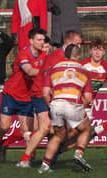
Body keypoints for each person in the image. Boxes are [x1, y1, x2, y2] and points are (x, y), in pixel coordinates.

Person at [16, 30, 82, 168]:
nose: (80, 47)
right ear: (69, 42)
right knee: (45, 128)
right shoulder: (55, 57)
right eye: (77, 43)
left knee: (60, 130)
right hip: (41, 93)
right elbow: (47, 80)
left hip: (55, 97)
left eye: (80, 44)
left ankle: (49, 159)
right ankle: (24, 159)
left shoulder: (70, 57)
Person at [0, 28, 47, 165]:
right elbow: (30, 71)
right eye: (39, 39)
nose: (42, 42)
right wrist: (47, 70)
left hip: (28, 98)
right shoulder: (23, 54)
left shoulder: (44, 55)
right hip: (12, 94)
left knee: (28, 131)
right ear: (31, 41)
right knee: (4, 127)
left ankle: (28, 157)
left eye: (43, 40)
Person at [38, 44, 93, 173]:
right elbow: (88, 97)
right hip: (73, 104)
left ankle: (45, 165)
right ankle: (78, 155)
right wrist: (81, 108)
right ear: (79, 56)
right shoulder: (84, 71)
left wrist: (50, 107)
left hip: (55, 105)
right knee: (86, 129)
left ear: (65, 55)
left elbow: (45, 93)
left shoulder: (53, 69)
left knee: (58, 136)